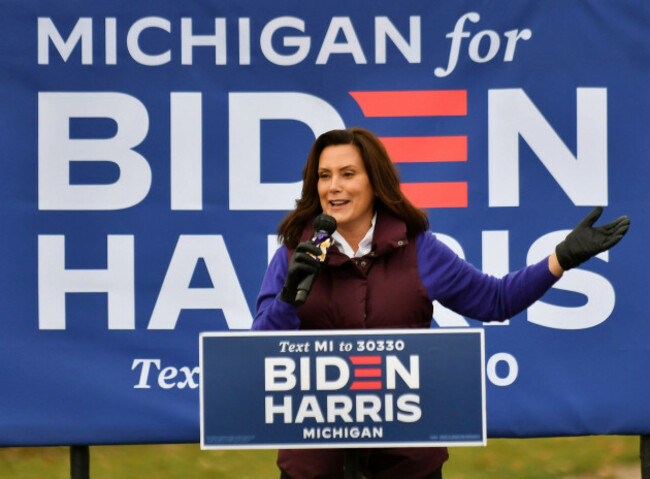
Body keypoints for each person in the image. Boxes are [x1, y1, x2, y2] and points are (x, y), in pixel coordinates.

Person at [251, 127, 630, 479]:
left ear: (375, 183)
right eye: (324, 175)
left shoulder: (419, 249)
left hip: (407, 463)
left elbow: (496, 300)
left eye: (348, 174)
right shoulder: (293, 255)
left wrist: (561, 258)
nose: (334, 187)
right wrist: (290, 296)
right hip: (315, 464)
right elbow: (258, 352)